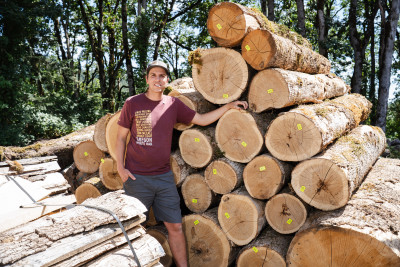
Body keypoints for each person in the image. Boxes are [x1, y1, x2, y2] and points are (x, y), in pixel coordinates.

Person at [115, 60, 248, 267]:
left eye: (162, 76)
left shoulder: (172, 104)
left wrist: (229, 106)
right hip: (136, 178)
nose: (157, 79)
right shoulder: (132, 103)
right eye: (153, 75)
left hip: (164, 178)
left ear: (167, 80)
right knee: (132, 228)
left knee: (175, 227)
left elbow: (202, 120)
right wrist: (120, 168)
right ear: (146, 79)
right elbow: (121, 137)